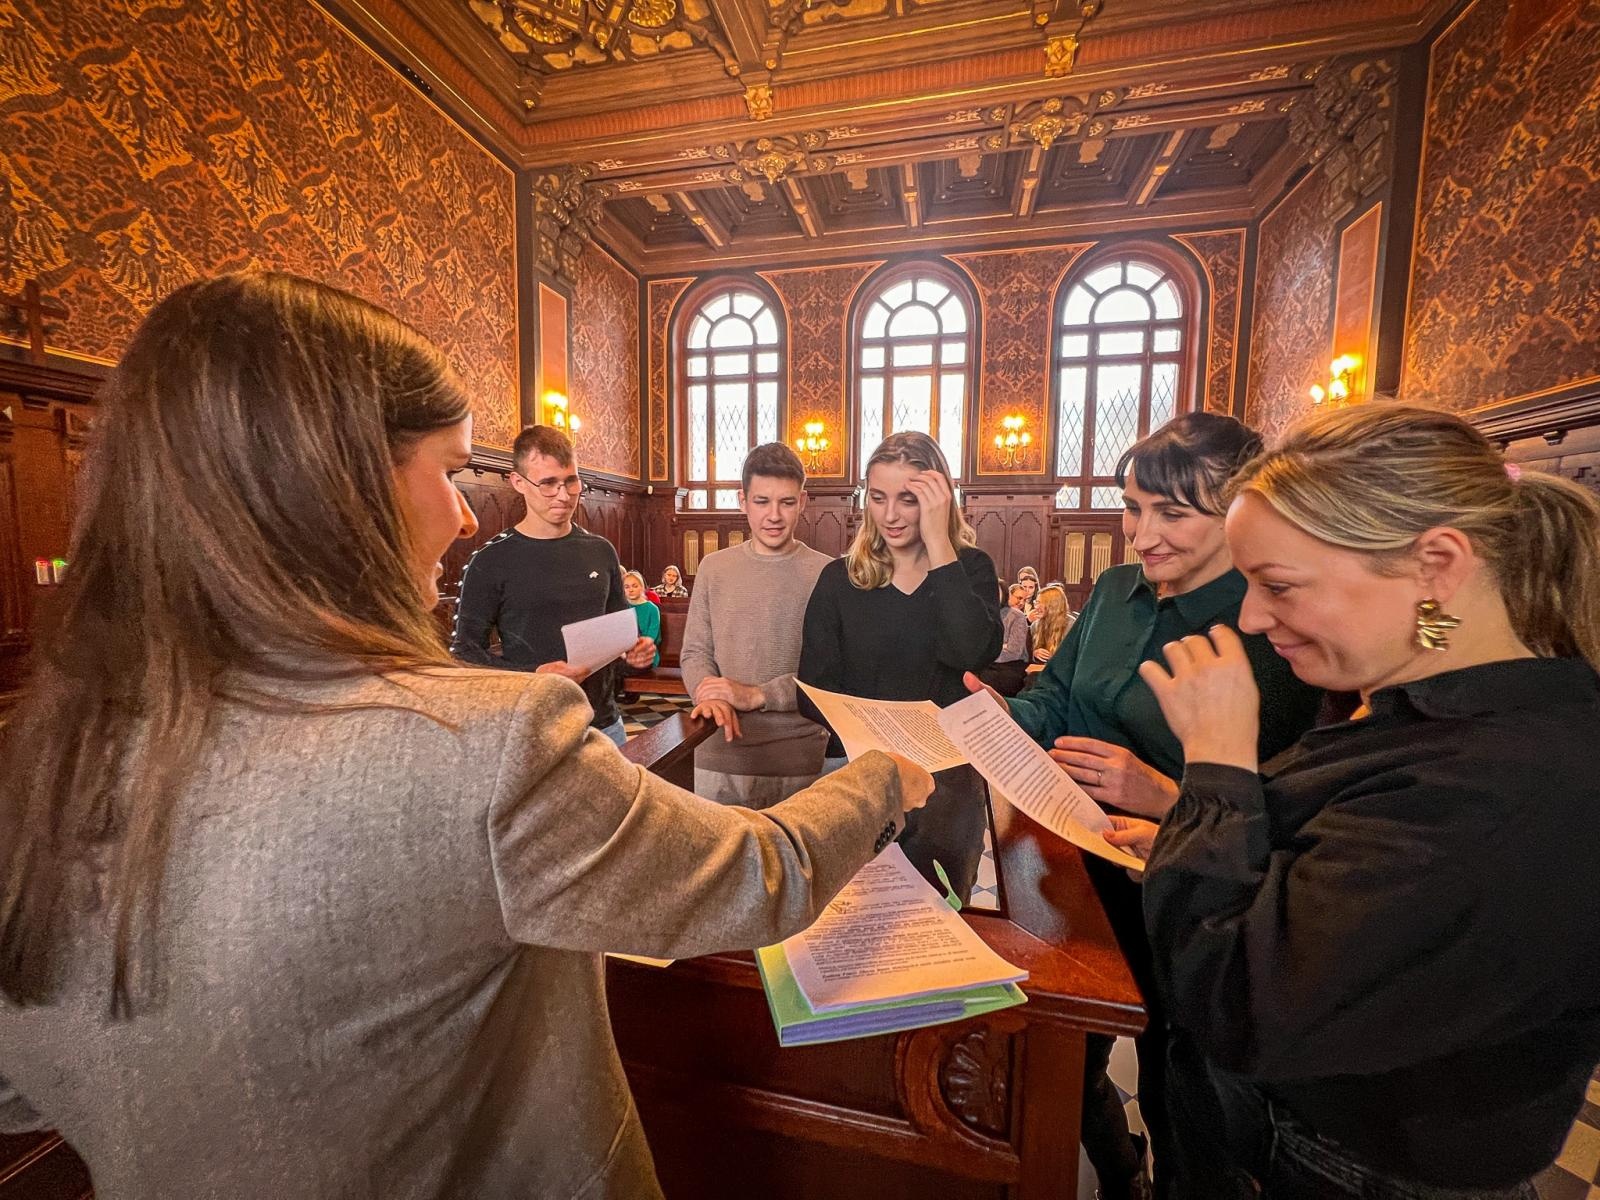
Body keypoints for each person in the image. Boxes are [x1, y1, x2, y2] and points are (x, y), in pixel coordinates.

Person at [0, 272, 934, 1200]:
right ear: (338, 488)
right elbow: (753, 875)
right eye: (449, 472)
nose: (461, 515)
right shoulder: (483, 748)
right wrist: (886, 777)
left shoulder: (46, 761)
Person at [1120, 404, 1600, 1200]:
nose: (1251, 616)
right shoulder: (1420, 710)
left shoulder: (1499, 781)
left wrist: (1217, 762)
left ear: (1437, 566)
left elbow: (1239, 1000)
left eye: (1278, 585)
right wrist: (1219, 847)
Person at [965, 412, 1323, 1200]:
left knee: (1180, 1081)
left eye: (1172, 513)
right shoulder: (1119, 591)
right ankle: (1117, 1172)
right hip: (1069, 865)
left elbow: (1299, 803)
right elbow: (1056, 695)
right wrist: (993, 725)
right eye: (1132, 508)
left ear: (1237, 517)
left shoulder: (1270, 627)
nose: (1141, 534)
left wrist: (1167, 796)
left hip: (1182, 889)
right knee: (1070, 1053)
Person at [799, 430, 1003, 902]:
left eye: (909, 499)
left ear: (937, 501)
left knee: (945, 915)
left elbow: (970, 651)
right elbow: (810, 690)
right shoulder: (841, 578)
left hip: (948, 784)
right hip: (862, 772)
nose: (890, 515)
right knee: (852, 916)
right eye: (878, 497)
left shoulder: (970, 568)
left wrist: (938, 545)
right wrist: (876, 731)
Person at [450, 425, 653, 747]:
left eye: (571, 481)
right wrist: (535, 675)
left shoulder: (600, 550)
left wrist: (635, 654)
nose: (563, 495)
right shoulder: (490, 560)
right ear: (519, 482)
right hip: (534, 727)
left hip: (604, 723)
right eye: (548, 484)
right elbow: (464, 656)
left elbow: (619, 638)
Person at [681, 443, 833, 807]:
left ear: (804, 501)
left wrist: (758, 694)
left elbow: (831, 675)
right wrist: (707, 692)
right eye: (762, 501)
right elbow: (695, 651)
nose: (774, 515)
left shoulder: (827, 574)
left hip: (801, 758)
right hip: (719, 750)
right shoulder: (713, 568)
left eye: (787, 502)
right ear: (742, 500)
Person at [977, 581, 1031, 697]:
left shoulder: (1017, 616)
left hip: (1010, 666)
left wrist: (988, 652)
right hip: (985, 664)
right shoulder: (980, 615)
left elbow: (1014, 651)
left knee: (985, 680)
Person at [622, 569, 661, 670]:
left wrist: (636, 649)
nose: (631, 590)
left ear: (642, 587)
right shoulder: (621, 608)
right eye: (627, 587)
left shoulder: (652, 609)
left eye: (635, 586)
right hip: (623, 653)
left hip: (645, 653)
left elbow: (652, 637)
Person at [1029, 583, 1073, 663]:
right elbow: (1026, 652)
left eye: (1040, 603)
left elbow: (1073, 655)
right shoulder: (1035, 625)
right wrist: (1034, 653)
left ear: (1052, 605)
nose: (1036, 607)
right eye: (1036, 602)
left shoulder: (1071, 625)